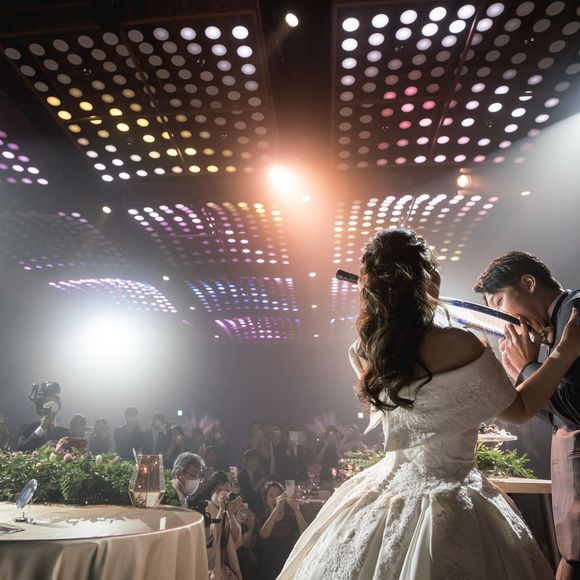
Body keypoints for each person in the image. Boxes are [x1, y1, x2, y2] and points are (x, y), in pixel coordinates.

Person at [278, 227, 580, 579]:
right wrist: (564, 351)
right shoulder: (461, 342)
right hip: (453, 489)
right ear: (429, 278)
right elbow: (518, 410)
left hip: (387, 487)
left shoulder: (365, 349)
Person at [474, 251, 580, 580]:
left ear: (528, 283)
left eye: (500, 302)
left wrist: (528, 369)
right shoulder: (560, 319)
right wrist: (525, 377)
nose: (503, 318)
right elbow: (561, 418)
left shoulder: (575, 311)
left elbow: (577, 409)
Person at [255, 481, 307, 579]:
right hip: (267, 569)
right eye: (271, 495)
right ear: (265, 501)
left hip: (287, 566)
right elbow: (263, 534)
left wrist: (296, 509)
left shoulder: (291, 519)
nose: (276, 498)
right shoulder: (261, 520)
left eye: (279, 495)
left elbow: (306, 534)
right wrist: (276, 509)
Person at [202, 470, 243, 580]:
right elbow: (212, 536)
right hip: (211, 566)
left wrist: (231, 513)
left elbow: (237, 538)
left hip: (227, 564)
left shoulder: (228, 508)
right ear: (214, 489)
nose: (225, 493)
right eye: (220, 490)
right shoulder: (207, 507)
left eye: (227, 490)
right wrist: (221, 510)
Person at [238, 448, 268, 515]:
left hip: (258, 512)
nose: (255, 463)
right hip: (246, 511)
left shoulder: (258, 476)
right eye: (252, 460)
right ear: (245, 461)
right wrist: (257, 487)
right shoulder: (240, 477)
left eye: (257, 460)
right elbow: (246, 498)